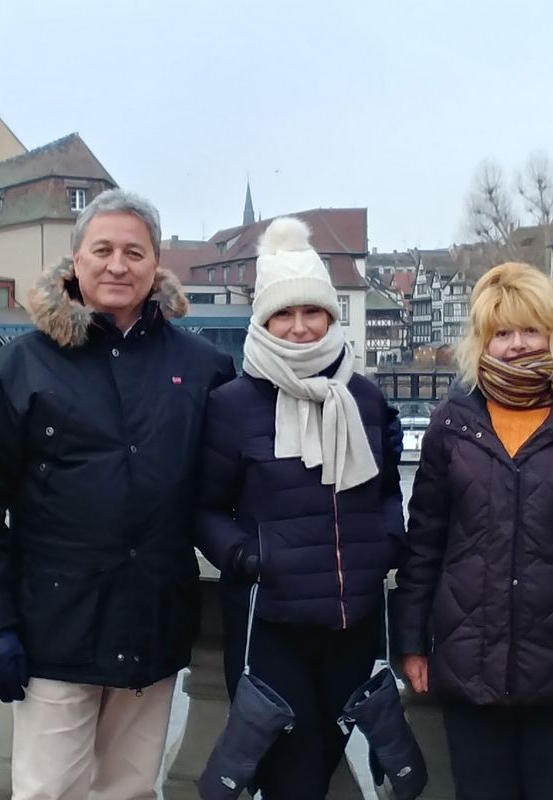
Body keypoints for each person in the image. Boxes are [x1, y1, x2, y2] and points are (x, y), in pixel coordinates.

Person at [0, 189, 236, 800]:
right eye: (102, 249)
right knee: (49, 793)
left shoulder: (201, 367)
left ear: (158, 264)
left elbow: (236, 484)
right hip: (53, 630)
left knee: (129, 792)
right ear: (75, 261)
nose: (117, 265)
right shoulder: (18, 368)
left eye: (134, 251)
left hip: (151, 624)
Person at [392, 262, 553, 799]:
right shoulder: (451, 424)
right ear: (482, 342)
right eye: (501, 333)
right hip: (468, 669)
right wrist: (411, 641)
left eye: (530, 330)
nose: (516, 345)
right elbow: (426, 543)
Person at [195, 216, 405, 797]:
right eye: (282, 315)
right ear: (262, 321)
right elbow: (204, 508)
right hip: (271, 628)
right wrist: (245, 557)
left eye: (312, 312)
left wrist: (387, 544)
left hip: (353, 625)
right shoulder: (233, 405)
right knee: (291, 779)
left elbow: (388, 492)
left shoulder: (363, 397)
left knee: (321, 769)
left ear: (332, 316)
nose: (300, 328)